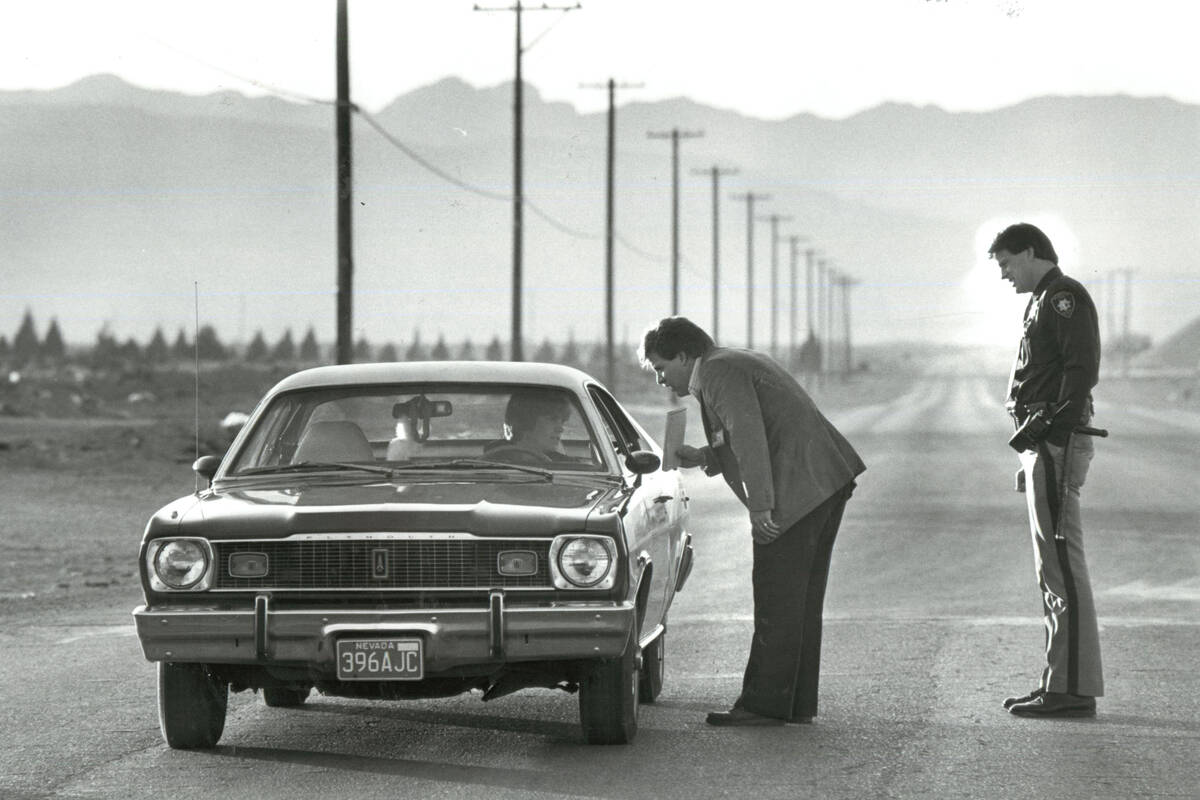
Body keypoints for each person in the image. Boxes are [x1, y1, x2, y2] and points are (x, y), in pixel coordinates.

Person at [638, 316, 865, 727]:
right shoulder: (731, 361)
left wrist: (761, 507)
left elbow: (748, 434)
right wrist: (705, 457)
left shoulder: (719, 371)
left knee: (777, 596)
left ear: (685, 356)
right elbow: (750, 430)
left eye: (661, 367)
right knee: (799, 602)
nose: (660, 379)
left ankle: (763, 705)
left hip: (797, 489)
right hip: (823, 481)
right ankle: (791, 703)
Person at [990, 222, 1103, 718]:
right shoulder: (1041, 299)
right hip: (1041, 447)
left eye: (1008, 264)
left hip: (1056, 445)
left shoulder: (1063, 296)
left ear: (1031, 252)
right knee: (1050, 569)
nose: (1005, 275)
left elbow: (1082, 369)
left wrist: (1054, 436)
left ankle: (1072, 689)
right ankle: (1059, 681)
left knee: (1062, 564)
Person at [484, 389, 575, 464]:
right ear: (526, 420)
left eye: (563, 421)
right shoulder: (488, 463)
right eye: (552, 419)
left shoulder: (569, 466)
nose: (560, 429)